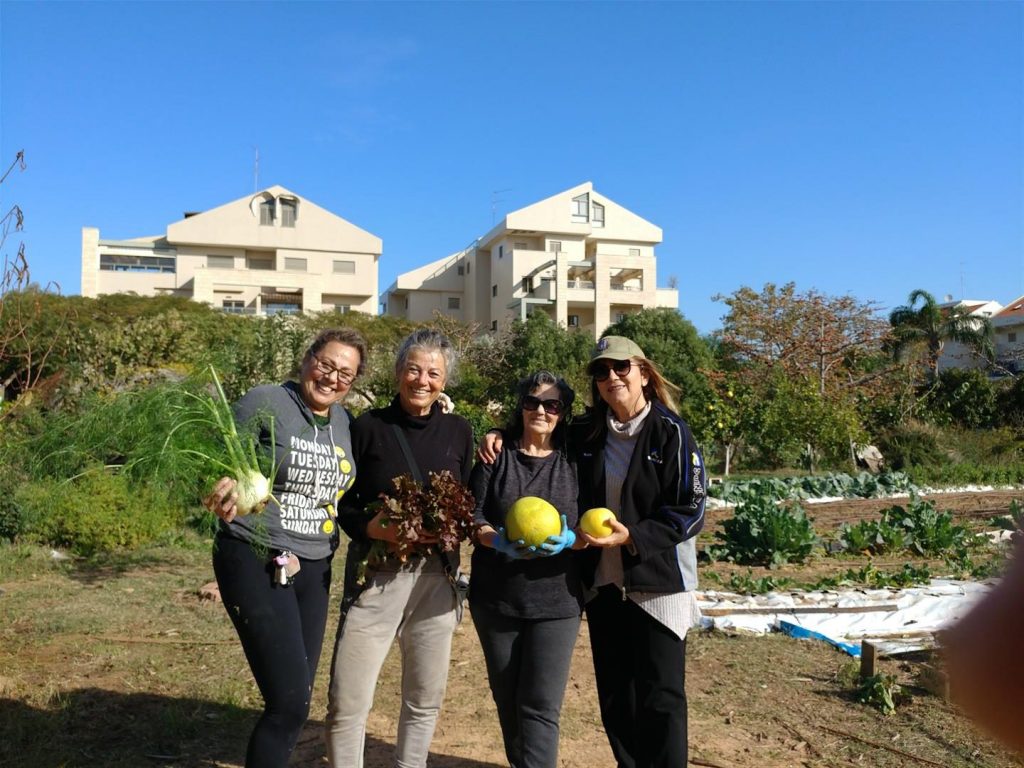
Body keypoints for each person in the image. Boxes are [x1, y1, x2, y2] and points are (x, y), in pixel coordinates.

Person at [480, 335, 706, 768]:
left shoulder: (671, 432)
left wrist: (632, 537)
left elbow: (691, 509)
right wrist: (498, 433)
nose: (611, 377)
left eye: (621, 367)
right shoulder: (589, 430)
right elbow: (539, 424)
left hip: (657, 582)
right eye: (601, 371)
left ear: (643, 372)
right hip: (604, 583)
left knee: (661, 696)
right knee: (616, 695)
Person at [205, 327, 365, 768]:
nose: (332, 378)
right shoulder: (267, 400)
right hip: (254, 554)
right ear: (307, 359)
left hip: (314, 565)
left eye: (345, 374)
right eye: (326, 364)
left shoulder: (345, 424)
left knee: (297, 700)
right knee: (289, 704)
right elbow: (210, 455)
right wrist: (213, 484)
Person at [326, 328, 475, 768]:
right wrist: (373, 527)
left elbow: (469, 498)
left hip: (437, 582)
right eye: (413, 369)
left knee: (424, 698)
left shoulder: (459, 431)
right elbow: (342, 502)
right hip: (377, 579)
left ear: (444, 382)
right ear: (397, 373)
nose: (422, 380)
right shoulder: (368, 428)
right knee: (347, 701)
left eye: (433, 372)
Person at [470, 370, 583, 768]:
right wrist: (493, 539)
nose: (541, 411)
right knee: (508, 700)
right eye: (532, 402)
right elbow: (474, 514)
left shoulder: (575, 458)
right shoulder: (495, 455)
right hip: (495, 599)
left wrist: (575, 540)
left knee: (539, 706)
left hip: (557, 602)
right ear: (520, 407)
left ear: (562, 413)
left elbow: (588, 522)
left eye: (551, 405)